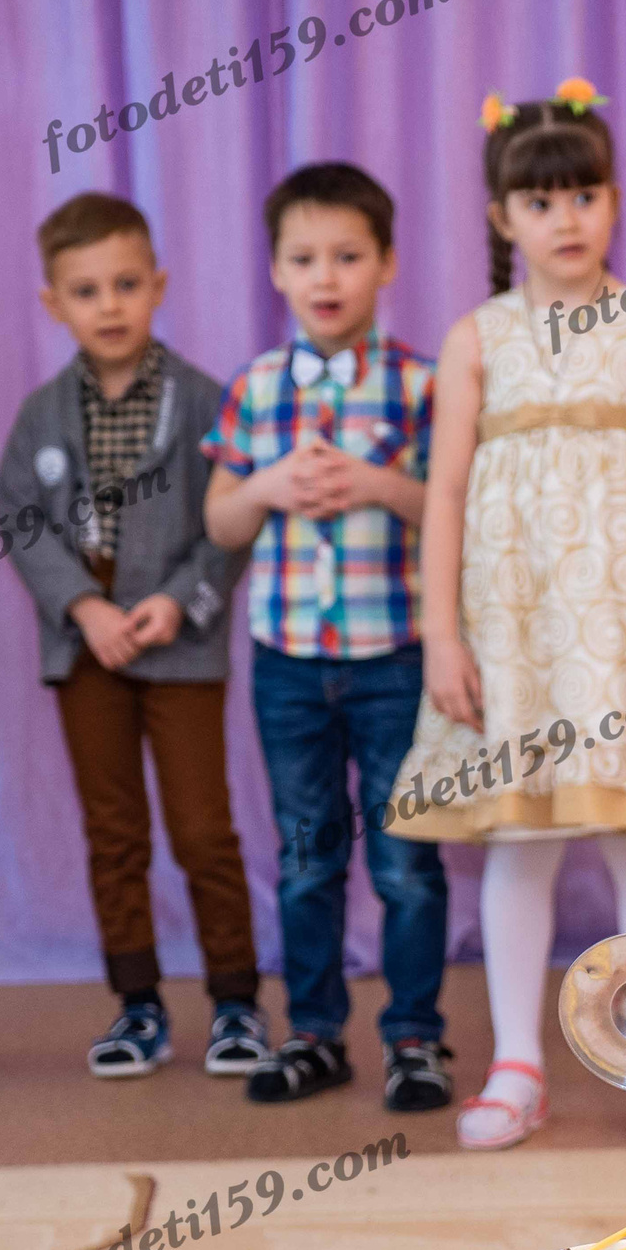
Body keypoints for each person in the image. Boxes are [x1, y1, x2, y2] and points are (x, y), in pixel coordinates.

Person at [396, 81, 626, 1151]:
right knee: (522, 838)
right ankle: (517, 1063)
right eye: (539, 201)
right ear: (500, 217)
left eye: (585, 194)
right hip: (515, 633)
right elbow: (447, 492)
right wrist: (440, 632)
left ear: (613, 201)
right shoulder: (476, 341)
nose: (566, 218)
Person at [204, 162, 453, 1111]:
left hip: (395, 658)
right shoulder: (255, 388)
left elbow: (453, 513)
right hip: (288, 665)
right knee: (307, 853)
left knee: (406, 859)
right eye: (304, 258)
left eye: (347, 256)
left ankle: (417, 1038)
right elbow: (221, 520)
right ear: (274, 270)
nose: (326, 276)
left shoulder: (422, 385)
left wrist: (382, 486)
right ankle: (313, 1032)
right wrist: (263, 487)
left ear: (385, 264)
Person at [0, 193, 258, 1079]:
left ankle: (234, 1002)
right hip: (90, 649)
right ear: (53, 304)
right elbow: (20, 519)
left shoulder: (205, 401)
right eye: (85, 289)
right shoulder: (40, 415)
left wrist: (182, 600)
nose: (108, 305)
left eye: (125, 284)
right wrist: (83, 606)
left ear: (159, 286)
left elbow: (233, 524)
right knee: (114, 832)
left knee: (202, 828)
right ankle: (138, 1004)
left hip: (178, 645)